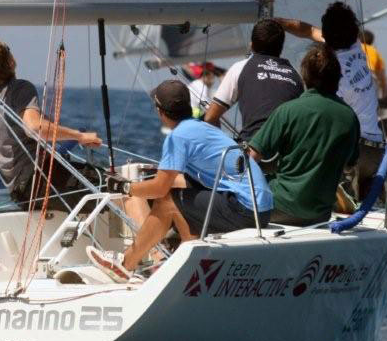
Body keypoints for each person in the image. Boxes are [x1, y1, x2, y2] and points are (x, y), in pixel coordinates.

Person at [86, 80, 273, 283]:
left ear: (160, 111)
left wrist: (125, 186)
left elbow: (159, 189)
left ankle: (125, 265)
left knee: (167, 202)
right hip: (261, 207)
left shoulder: (179, 137)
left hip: (244, 208)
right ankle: (186, 267)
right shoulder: (202, 127)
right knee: (177, 196)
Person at [0, 34, 103, 208]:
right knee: (122, 189)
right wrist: (79, 136)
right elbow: (34, 128)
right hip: (40, 181)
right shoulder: (20, 89)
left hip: (22, 193)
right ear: (10, 62)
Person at [276, 2, 384, 199]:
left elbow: (322, 114)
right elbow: (309, 30)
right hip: (376, 152)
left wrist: (276, 24)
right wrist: (282, 23)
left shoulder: (330, 67)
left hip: (351, 155)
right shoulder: (356, 46)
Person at [249, 43, 360, 226]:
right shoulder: (350, 117)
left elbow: (251, 158)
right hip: (320, 214)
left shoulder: (287, 111)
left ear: (305, 77)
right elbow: (350, 164)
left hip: (278, 206)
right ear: (337, 78)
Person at [203, 19, 303, 141]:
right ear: (281, 48)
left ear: (251, 45)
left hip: (252, 151)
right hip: (287, 154)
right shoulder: (295, 75)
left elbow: (210, 118)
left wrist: (225, 146)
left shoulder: (240, 68)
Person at [361, 29, 387, 98]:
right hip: (372, 76)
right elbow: (383, 80)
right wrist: (386, 99)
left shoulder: (354, 48)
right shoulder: (374, 51)